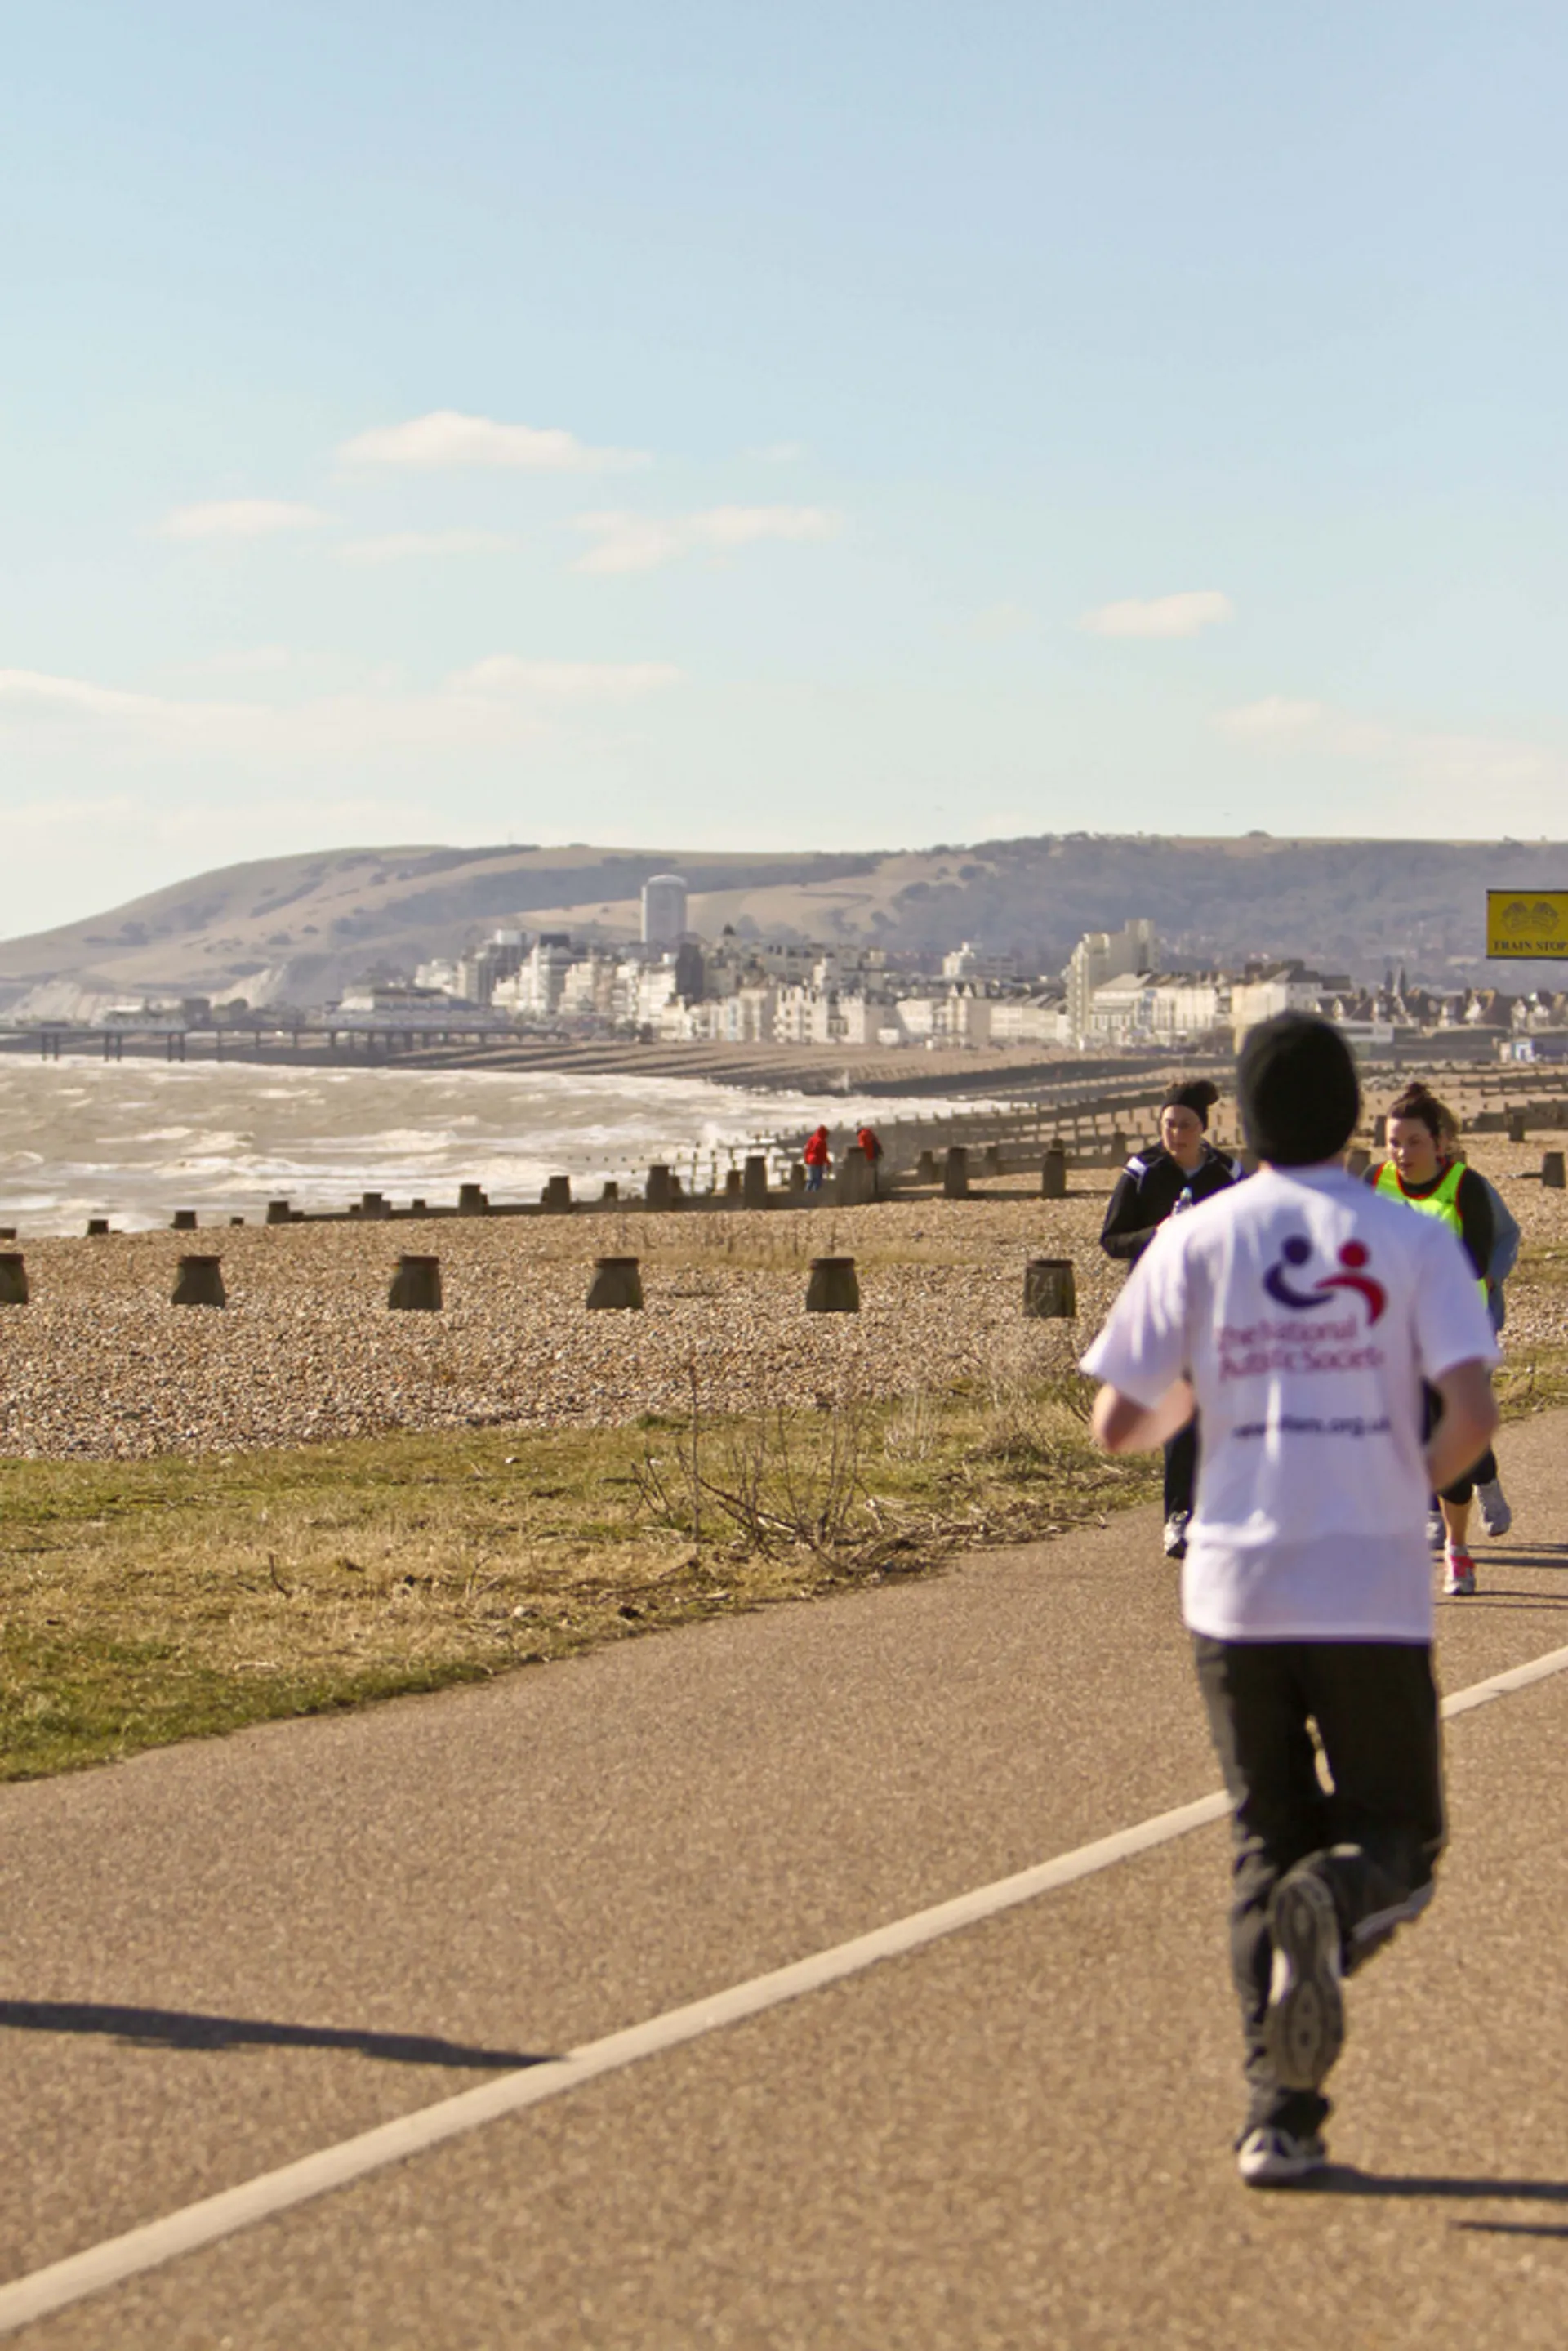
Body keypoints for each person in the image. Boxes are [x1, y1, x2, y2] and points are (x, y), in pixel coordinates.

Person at [1083, 1013, 1498, 2188]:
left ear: (1243, 1123)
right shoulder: (1408, 1235)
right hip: (1365, 1580)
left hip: (1234, 1584)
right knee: (1400, 1839)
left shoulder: (1197, 1233)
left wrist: (1211, 1406)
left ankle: (1280, 2114)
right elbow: (1471, 1421)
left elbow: (1117, 1425)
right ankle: (1339, 1899)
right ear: (1351, 1109)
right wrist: (1386, 1480)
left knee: (1264, 1841)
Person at [1099, 1080, 1244, 1561]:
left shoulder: (1227, 1174)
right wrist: (1155, 1234)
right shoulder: (1143, 1172)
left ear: (1204, 1128)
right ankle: (1178, 1517)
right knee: (1183, 1411)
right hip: (1162, 1308)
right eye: (1168, 1125)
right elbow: (1111, 1239)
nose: (1175, 1134)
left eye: (1185, 1126)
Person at [1366, 1084, 1498, 1596]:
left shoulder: (1466, 1186)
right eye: (1394, 1142)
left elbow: (1477, 1258)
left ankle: (1457, 1551)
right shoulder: (1374, 1181)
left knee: (1450, 1444)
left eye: (1413, 1142)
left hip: (1452, 1334)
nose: (1402, 1153)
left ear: (1439, 1143)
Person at [1435, 1100, 1517, 1539]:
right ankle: (1434, 1511)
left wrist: (1490, 1276)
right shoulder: (1387, 1187)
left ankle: (1485, 1482)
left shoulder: (1473, 1186)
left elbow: (1509, 1235)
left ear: (1446, 1141)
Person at [856, 1124, 884, 1200]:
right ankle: (875, 1191)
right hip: (875, 1156)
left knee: (867, 1176)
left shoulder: (862, 1136)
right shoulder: (870, 1133)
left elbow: (863, 1148)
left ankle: (869, 1194)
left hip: (869, 1158)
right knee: (874, 1174)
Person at [803, 1125, 831, 1193]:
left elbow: (806, 1150)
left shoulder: (811, 1139)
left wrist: (806, 1159)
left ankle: (806, 1194)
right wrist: (828, 1163)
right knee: (818, 1181)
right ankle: (814, 1195)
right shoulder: (822, 1142)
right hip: (818, 1162)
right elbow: (824, 1155)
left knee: (811, 1179)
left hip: (810, 1162)